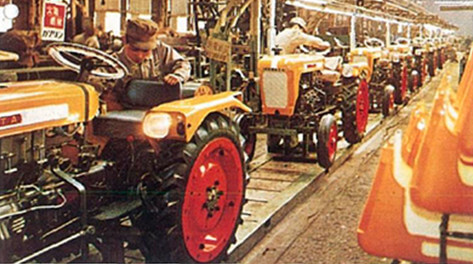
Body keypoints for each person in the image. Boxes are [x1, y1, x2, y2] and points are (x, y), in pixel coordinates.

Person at [102, 18, 191, 110]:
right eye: (135, 50)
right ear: (125, 41)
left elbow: (183, 64)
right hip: (127, 110)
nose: (140, 56)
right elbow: (97, 83)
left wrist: (177, 75)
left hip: (160, 111)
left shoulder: (161, 51)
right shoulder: (113, 62)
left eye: (146, 51)